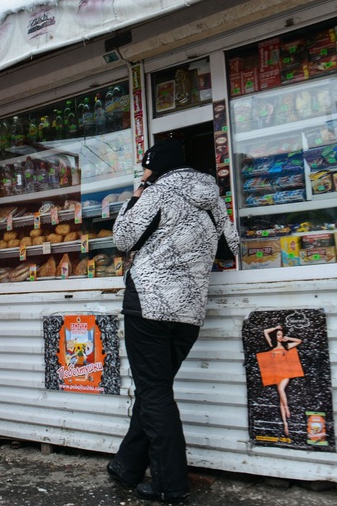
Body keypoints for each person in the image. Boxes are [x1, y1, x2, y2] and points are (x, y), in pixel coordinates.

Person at [107, 138, 239, 503]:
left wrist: (137, 194)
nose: (144, 173)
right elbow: (231, 247)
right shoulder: (212, 197)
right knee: (157, 389)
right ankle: (126, 466)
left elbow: (122, 239)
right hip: (189, 311)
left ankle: (170, 484)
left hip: (148, 306)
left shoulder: (156, 191)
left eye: (145, 167)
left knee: (153, 392)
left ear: (155, 166)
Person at [259, 325, 304, 438]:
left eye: (281, 335)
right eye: (278, 335)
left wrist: (288, 338)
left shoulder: (286, 346)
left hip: (285, 373)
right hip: (276, 374)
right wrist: (275, 328)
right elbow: (265, 331)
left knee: (280, 389)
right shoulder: (272, 346)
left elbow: (299, 341)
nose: (280, 336)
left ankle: (287, 407)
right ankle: (285, 425)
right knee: (280, 400)